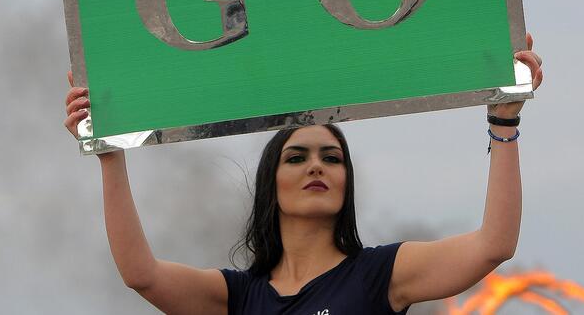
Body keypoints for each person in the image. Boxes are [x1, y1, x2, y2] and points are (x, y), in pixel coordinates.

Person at [63, 34, 544, 314]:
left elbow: (494, 245)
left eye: (332, 158)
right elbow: (140, 274)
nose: (316, 164)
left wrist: (504, 119)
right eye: (297, 157)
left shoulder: (380, 275)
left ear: (346, 183)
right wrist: (109, 150)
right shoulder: (239, 295)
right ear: (271, 183)